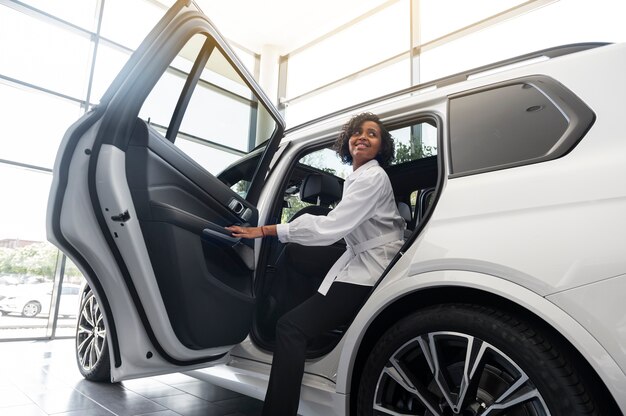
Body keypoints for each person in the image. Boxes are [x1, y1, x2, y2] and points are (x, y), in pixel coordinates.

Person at [226, 112, 405, 416]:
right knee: (297, 253)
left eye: (372, 134)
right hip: (363, 254)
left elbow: (330, 228)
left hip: (373, 266)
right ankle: (277, 311)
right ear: (348, 141)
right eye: (357, 132)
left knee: (290, 329)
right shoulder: (358, 178)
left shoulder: (373, 178)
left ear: (382, 146)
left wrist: (267, 230)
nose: (362, 137)